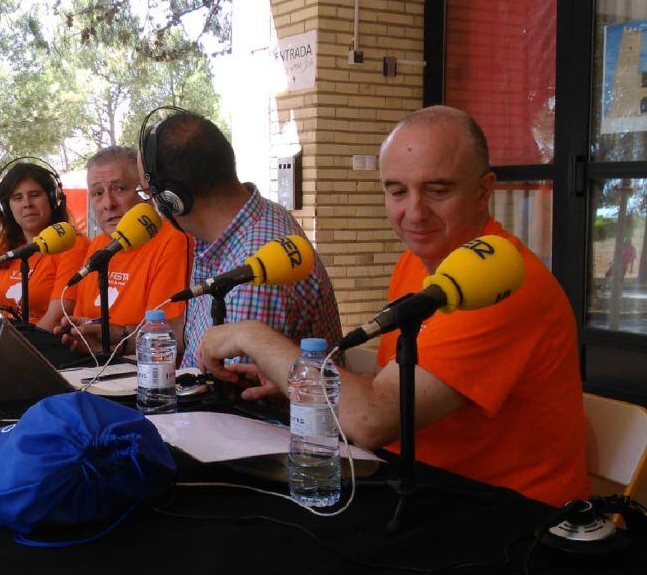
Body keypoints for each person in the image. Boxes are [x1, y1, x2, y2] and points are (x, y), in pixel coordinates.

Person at [198, 105, 589, 507]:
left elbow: (371, 419)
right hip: (421, 488)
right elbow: (391, 389)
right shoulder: (418, 261)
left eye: (438, 190)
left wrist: (251, 334)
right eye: (397, 191)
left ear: (484, 190)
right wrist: (292, 380)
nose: (415, 214)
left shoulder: (501, 282)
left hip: (509, 519)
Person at [135, 107, 341, 367]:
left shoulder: (252, 273)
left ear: (172, 200)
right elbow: (196, 334)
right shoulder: (236, 227)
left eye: (146, 193)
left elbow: (232, 394)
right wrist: (128, 335)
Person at [54, 146, 191, 353]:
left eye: (119, 189)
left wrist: (116, 338)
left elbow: (166, 331)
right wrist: (84, 332)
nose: (108, 204)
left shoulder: (174, 240)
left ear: (146, 193)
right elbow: (88, 318)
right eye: (98, 193)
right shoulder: (99, 244)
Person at [0, 159, 89, 330]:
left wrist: (20, 350)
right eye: (17, 198)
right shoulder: (5, 245)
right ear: (6, 208)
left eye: (34, 195)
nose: (27, 204)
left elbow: (58, 316)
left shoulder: (72, 245)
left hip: (43, 344)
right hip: (6, 338)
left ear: (54, 199)